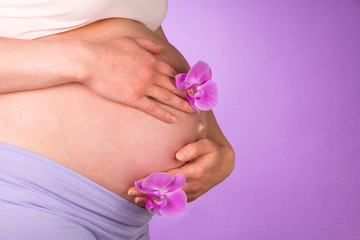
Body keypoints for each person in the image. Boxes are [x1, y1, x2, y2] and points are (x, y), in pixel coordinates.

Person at [0, 0, 235, 239]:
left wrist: (218, 145)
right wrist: (90, 61)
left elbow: (141, 36)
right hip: (30, 192)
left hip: (130, 219)